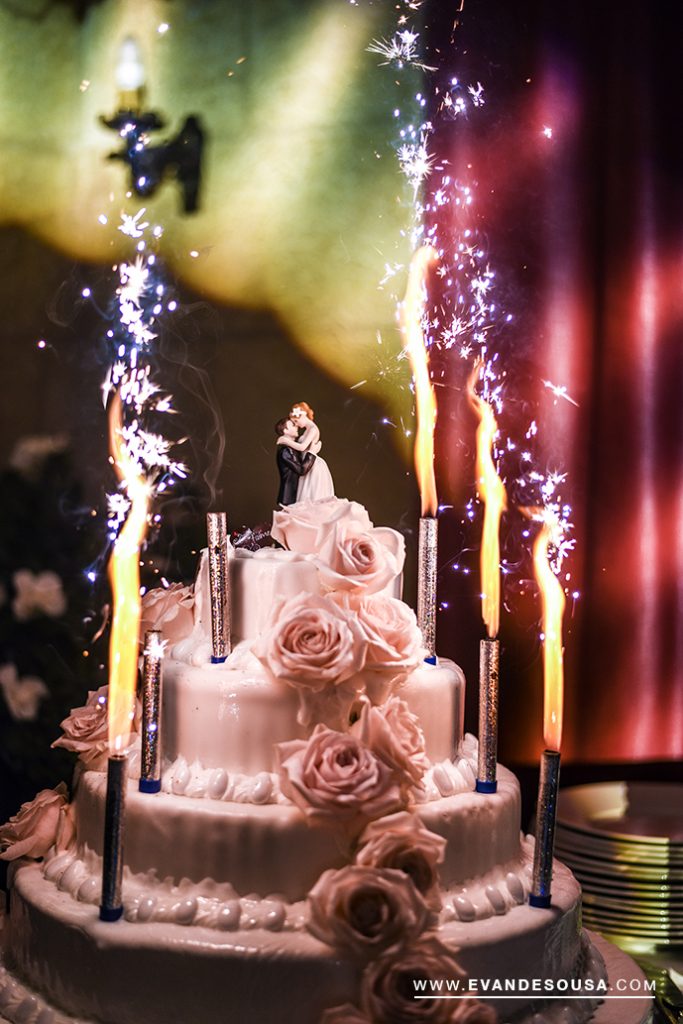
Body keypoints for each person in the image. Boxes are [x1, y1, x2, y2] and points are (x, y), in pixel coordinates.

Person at [277, 401, 335, 501]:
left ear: (302, 416)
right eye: (294, 423)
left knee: (312, 495)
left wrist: (286, 440)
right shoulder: (306, 432)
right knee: (305, 496)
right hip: (306, 466)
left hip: (312, 465)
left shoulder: (313, 429)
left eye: (296, 421)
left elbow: (302, 447)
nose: (297, 425)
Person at [274, 417, 316, 506]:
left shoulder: (293, 447)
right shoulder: (286, 451)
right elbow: (301, 470)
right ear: (285, 430)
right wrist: (312, 452)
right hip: (290, 497)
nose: (296, 427)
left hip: (296, 494)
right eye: (293, 425)